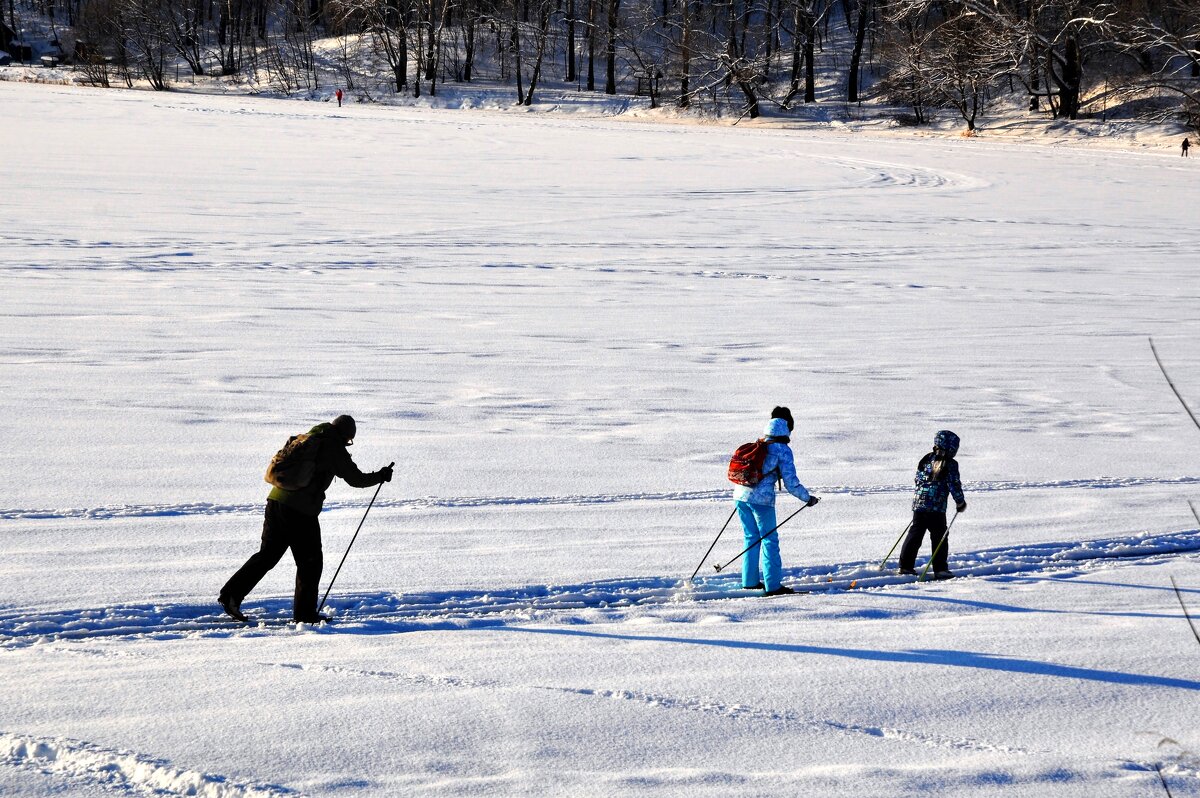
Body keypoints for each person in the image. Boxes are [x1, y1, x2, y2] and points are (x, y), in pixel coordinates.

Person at [219, 415, 392, 623]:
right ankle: (305, 615)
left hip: (275, 501)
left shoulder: (309, 437)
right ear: (345, 435)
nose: (348, 444)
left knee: (267, 555)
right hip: (300, 510)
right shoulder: (332, 446)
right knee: (310, 563)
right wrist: (380, 476)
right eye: (349, 440)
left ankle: (231, 595)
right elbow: (355, 479)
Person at [732, 407, 820, 596]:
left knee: (751, 538)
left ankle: (749, 581)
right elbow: (791, 482)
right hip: (761, 501)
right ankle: (773, 586)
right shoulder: (782, 450)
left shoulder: (760, 442)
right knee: (770, 540)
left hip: (740, 495)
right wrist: (808, 498)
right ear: (788, 427)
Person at [898, 430, 966, 580]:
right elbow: (954, 484)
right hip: (936, 507)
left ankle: (905, 566)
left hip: (919, 504)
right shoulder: (950, 463)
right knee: (939, 535)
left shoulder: (926, 458)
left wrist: (921, 497)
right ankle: (940, 568)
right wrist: (960, 502)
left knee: (915, 533)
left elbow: (918, 479)